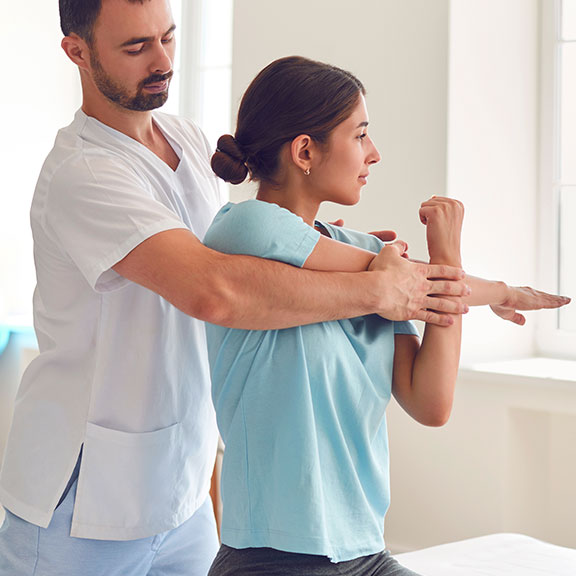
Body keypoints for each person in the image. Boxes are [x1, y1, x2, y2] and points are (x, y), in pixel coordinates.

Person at [0, 1, 567, 575]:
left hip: (183, 489)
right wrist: (374, 287)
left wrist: (355, 262)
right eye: (136, 47)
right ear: (76, 50)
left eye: (169, 38)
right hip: (81, 493)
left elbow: (256, 257)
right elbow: (215, 290)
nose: (163, 59)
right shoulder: (84, 171)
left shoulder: (189, 143)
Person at [203, 56, 571, 576]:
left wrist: (449, 266)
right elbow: (417, 281)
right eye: (360, 136)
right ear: (305, 151)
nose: (374, 154)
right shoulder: (241, 230)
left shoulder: (377, 264)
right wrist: (483, 285)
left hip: (367, 553)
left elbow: (431, 403)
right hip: (272, 556)